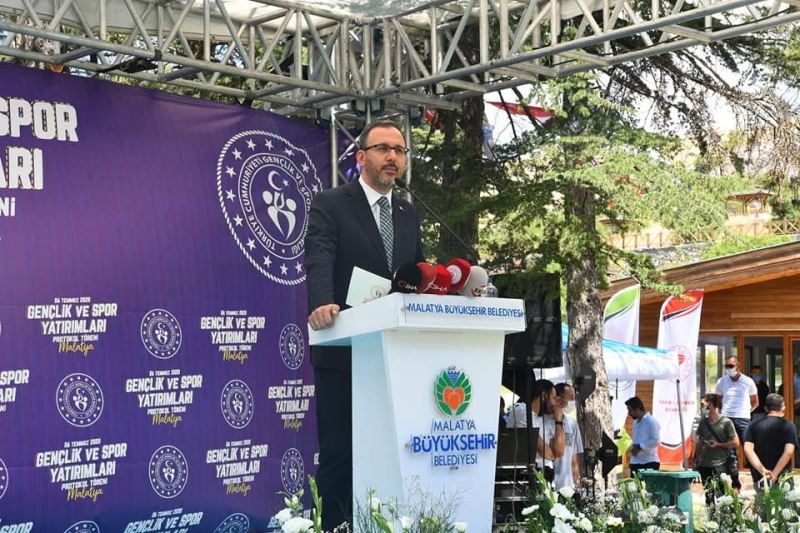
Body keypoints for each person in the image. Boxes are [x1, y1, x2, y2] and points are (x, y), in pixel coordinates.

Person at [304, 121, 424, 530]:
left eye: (400, 150)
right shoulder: (332, 203)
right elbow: (319, 255)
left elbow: (416, 273)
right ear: (361, 157)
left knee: (391, 450)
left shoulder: (407, 212)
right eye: (383, 149)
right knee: (341, 453)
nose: (393, 157)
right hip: (345, 349)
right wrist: (321, 301)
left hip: (394, 354)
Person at [506, 379, 566, 482]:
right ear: (544, 395)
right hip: (526, 476)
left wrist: (559, 421)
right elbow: (547, 453)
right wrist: (551, 453)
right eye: (553, 398)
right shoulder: (522, 411)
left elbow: (559, 453)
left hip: (544, 475)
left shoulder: (544, 418)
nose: (555, 404)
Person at [715, 356, 758, 490]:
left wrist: (746, 412)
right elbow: (718, 400)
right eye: (726, 366)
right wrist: (724, 413)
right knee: (730, 453)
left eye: (731, 365)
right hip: (727, 419)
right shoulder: (722, 381)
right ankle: (735, 483)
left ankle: (758, 481)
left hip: (743, 419)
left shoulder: (748, 381)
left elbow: (755, 402)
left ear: (738, 366)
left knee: (749, 449)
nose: (729, 368)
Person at [689, 393, 738, 505]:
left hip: (719, 464)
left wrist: (718, 445)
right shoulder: (703, 423)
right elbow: (700, 441)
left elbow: (735, 443)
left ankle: (722, 514)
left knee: (721, 494)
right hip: (704, 464)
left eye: (703, 404)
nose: (702, 407)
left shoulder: (726, 422)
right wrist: (695, 459)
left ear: (710, 405)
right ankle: (711, 515)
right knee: (708, 494)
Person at [743, 393, 799, 490]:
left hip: (761, 478)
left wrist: (762, 470)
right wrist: (774, 474)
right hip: (783, 478)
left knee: (763, 500)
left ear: (766, 408)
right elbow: (789, 452)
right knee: (785, 500)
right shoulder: (788, 426)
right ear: (783, 408)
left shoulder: (753, 425)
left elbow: (748, 449)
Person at [553, 383, 583, 490]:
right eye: (571, 398)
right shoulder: (545, 422)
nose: (573, 401)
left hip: (568, 485)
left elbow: (574, 455)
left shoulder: (572, 423)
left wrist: (576, 477)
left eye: (574, 398)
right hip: (551, 483)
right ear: (558, 399)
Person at [624, 396, 661, 475]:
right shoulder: (635, 422)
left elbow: (656, 440)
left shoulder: (651, 421)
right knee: (633, 483)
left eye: (630, 410)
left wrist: (640, 447)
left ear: (637, 409)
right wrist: (633, 448)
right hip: (635, 462)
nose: (629, 413)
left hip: (649, 463)